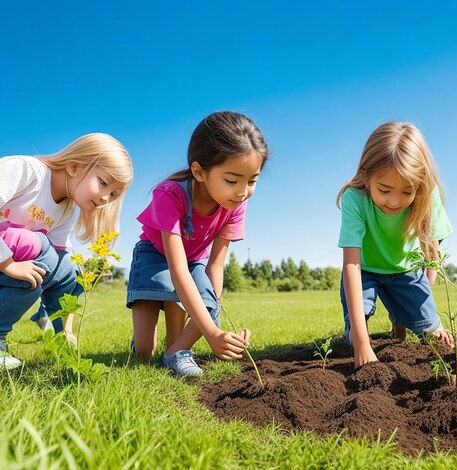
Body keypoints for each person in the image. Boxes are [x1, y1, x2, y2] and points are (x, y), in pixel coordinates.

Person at [127, 111, 268, 378]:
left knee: (205, 304)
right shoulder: (169, 195)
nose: (242, 191)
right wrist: (212, 333)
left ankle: (176, 353)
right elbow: (176, 270)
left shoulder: (236, 204)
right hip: (155, 258)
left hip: (194, 263)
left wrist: (213, 312)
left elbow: (214, 265)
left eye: (252, 181)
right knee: (144, 351)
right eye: (232, 180)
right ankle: (146, 338)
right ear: (199, 172)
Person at [0, 133, 133, 369]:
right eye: (103, 182)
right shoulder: (27, 171)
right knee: (38, 246)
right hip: (5, 260)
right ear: (73, 166)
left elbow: (59, 272)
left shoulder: (66, 211)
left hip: (11, 260)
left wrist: (67, 330)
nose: (105, 198)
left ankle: (58, 336)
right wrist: (7, 263)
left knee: (67, 269)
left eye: (113, 193)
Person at [337, 121, 455, 368]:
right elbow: (351, 264)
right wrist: (361, 343)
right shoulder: (354, 199)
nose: (394, 201)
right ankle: (358, 330)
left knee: (432, 336)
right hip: (365, 271)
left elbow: (432, 250)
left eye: (406, 192)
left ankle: (400, 318)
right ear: (366, 175)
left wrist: (423, 300)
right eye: (385, 189)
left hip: (406, 272)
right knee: (355, 335)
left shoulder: (426, 194)